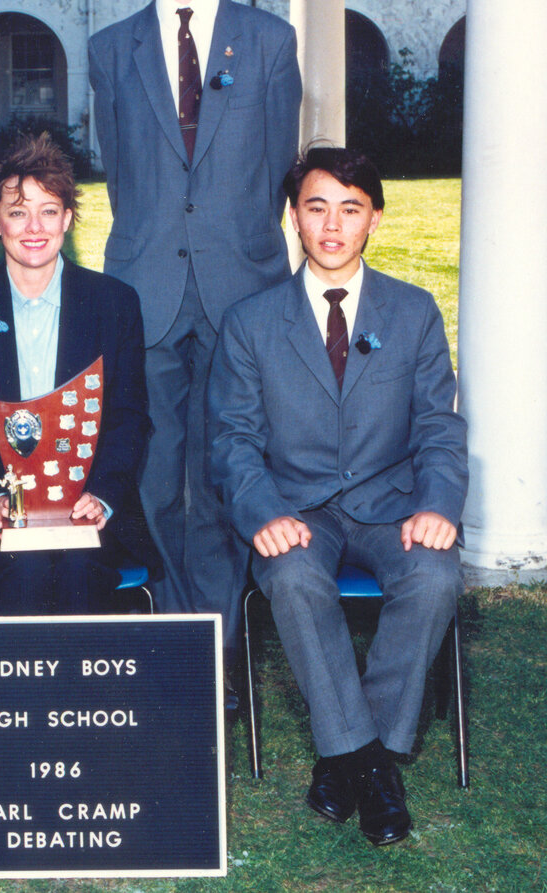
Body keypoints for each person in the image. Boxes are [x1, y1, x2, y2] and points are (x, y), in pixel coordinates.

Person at [208, 147, 467, 846]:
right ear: (293, 217)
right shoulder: (251, 321)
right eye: (316, 207)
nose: (332, 225)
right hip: (298, 509)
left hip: (392, 504)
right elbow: (232, 438)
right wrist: (264, 513)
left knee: (435, 574)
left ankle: (347, 755)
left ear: (374, 219)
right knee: (293, 576)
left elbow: (439, 427)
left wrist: (438, 504)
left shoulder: (413, 311)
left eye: (350, 209)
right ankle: (373, 766)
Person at [88, 0, 302, 647]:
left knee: (224, 470)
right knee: (149, 477)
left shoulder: (269, 41)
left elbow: (277, 168)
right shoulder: (110, 50)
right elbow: (123, 173)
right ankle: (174, 644)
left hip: (239, 287)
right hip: (144, 288)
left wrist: (233, 246)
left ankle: (217, 644)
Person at [0, 133, 157, 615]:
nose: (34, 227)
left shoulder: (114, 304)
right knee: (26, 573)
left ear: (67, 218)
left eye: (49, 211)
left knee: (76, 570)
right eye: (17, 212)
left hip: (88, 516)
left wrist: (102, 497)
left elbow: (129, 418)